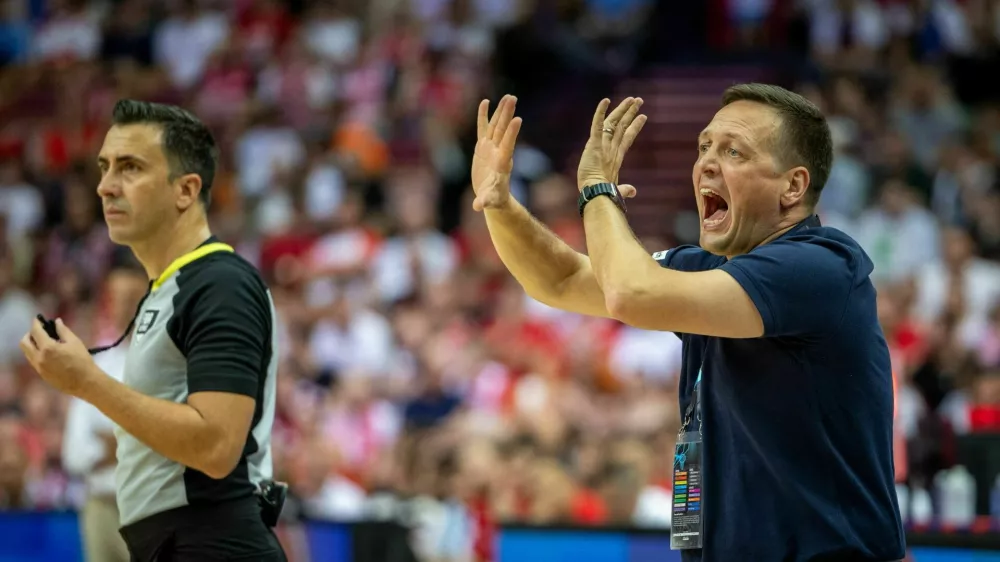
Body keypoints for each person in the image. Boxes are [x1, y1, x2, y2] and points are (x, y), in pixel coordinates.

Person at [470, 88, 905, 561]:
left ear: (793, 187)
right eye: (704, 148)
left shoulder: (820, 267)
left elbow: (631, 293)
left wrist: (598, 188)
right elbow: (562, 279)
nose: (707, 164)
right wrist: (498, 205)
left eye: (733, 151)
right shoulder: (705, 269)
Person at [19, 100, 286, 561]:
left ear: (185, 190)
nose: (105, 186)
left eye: (130, 168)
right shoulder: (168, 288)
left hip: (213, 540)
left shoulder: (219, 283)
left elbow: (218, 445)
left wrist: (88, 383)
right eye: (104, 167)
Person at [62, 263, 148, 562]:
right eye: (116, 297)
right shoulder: (94, 366)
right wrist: (129, 441)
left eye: (132, 297)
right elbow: (73, 454)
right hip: (100, 504)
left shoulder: (165, 368)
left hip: (149, 508)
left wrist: (115, 444)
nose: (124, 306)